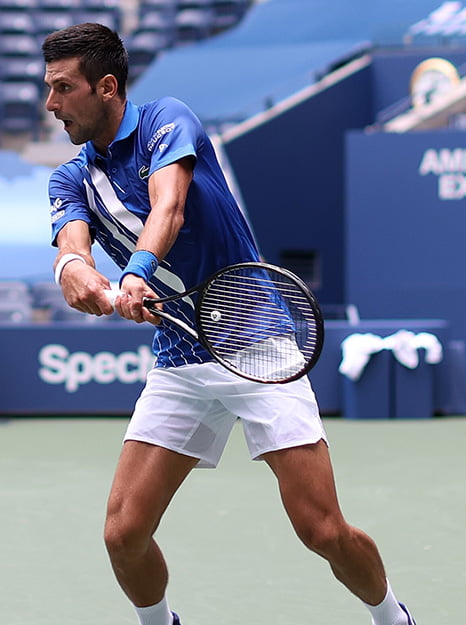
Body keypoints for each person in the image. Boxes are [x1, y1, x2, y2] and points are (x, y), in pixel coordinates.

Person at [42, 23, 416, 625]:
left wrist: (136, 271)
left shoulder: (167, 119)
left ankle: (394, 619)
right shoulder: (71, 177)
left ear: (106, 86)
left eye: (63, 88)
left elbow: (170, 204)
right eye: (49, 88)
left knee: (321, 530)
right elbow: (72, 244)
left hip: (257, 342)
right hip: (179, 358)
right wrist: (73, 271)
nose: (52, 104)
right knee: (123, 533)